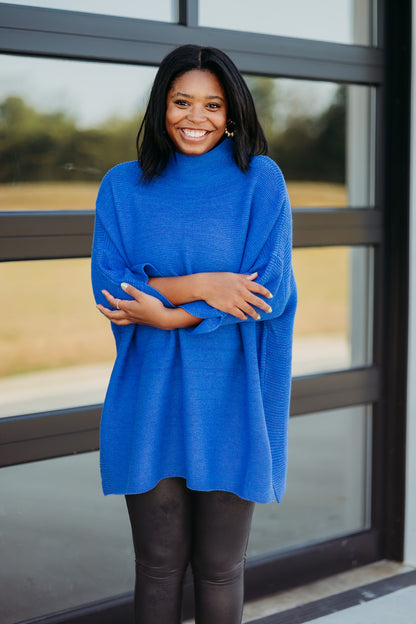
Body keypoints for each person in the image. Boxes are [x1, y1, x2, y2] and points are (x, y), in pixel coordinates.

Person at [91, 44, 297, 624]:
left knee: (219, 567)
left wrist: (168, 311)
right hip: (149, 397)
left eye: (212, 105)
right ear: (162, 106)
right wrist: (206, 283)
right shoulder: (122, 187)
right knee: (157, 566)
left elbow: (269, 291)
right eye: (182, 101)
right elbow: (112, 287)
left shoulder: (259, 180)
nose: (196, 117)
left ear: (232, 113)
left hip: (231, 397)